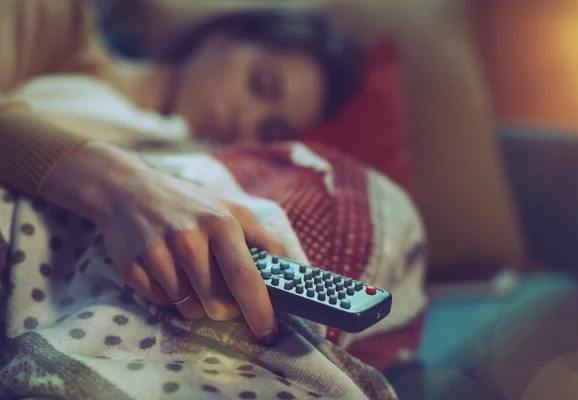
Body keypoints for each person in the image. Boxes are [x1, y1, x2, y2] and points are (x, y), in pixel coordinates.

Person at [0, 0, 363, 345]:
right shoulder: (57, 23)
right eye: (260, 85)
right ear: (221, 36)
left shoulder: (200, 168)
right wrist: (119, 185)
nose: (245, 123)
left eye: (270, 131)